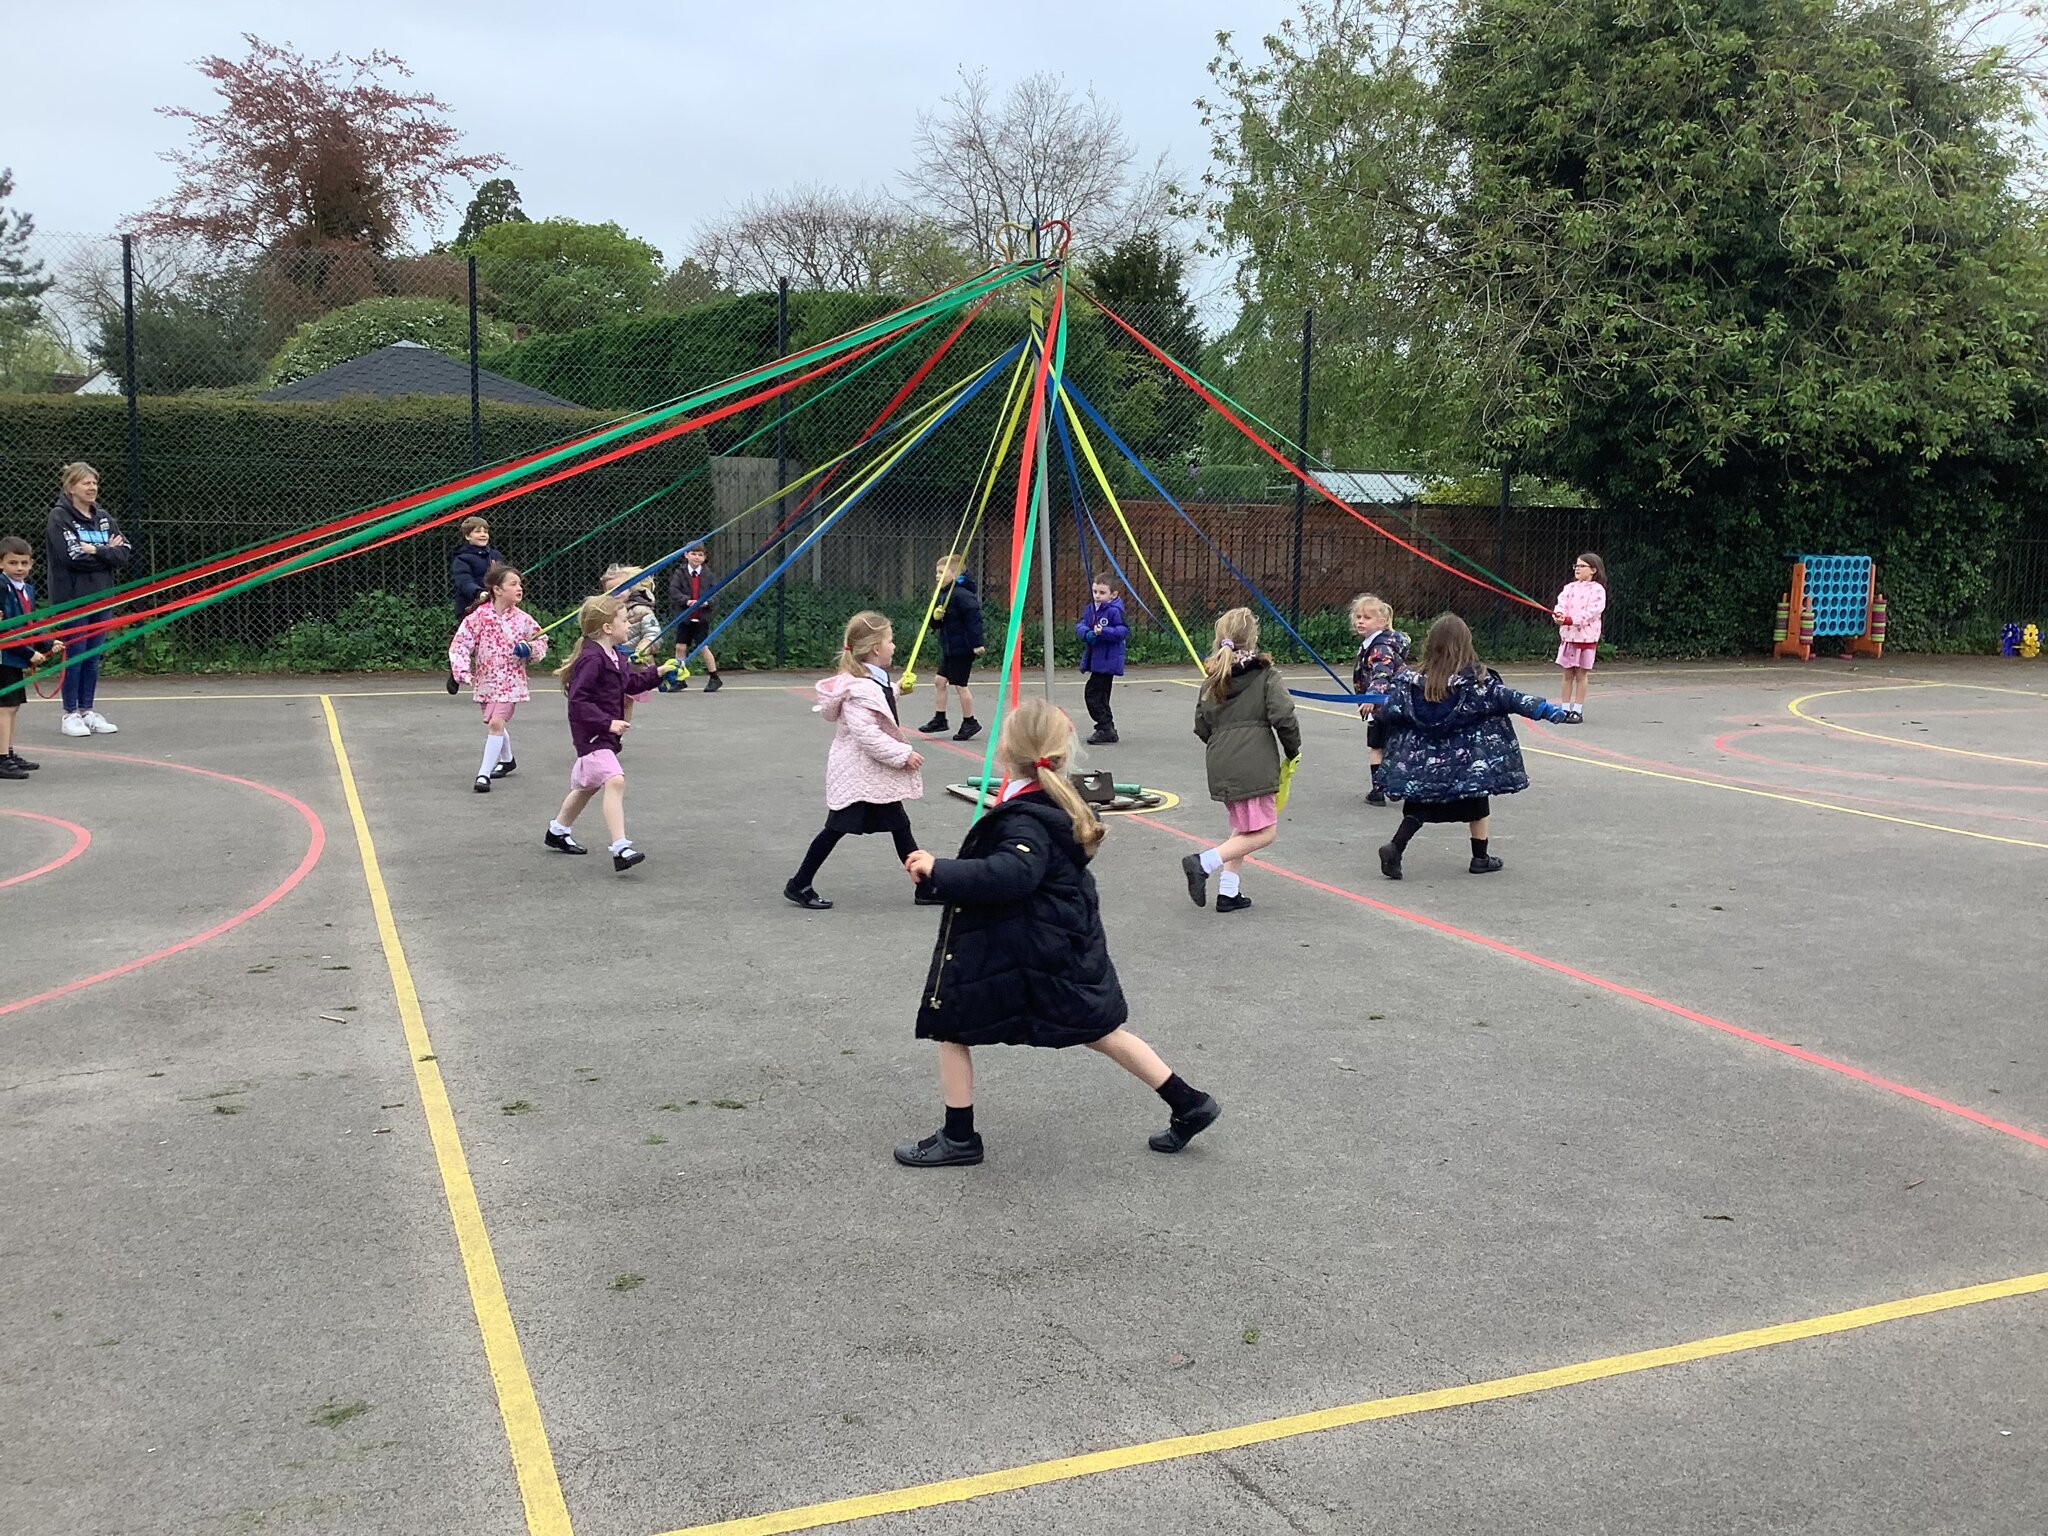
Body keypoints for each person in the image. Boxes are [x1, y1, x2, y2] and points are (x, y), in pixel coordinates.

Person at [895, 696, 1220, 1167]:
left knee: (953, 1024)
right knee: (1100, 1028)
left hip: (1032, 949)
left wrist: (939, 870)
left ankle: (959, 1137)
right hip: (1050, 943)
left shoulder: (1028, 815)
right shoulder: (1051, 800)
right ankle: (1189, 1102)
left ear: (1005, 754)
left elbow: (1012, 874)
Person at [1374, 613, 1577, 879]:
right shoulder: (1478, 684)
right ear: (1465, 644)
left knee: (1418, 809)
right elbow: (1513, 699)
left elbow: (1388, 711)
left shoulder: (1410, 685)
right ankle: (1480, 857)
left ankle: (1396, 847)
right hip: (1467, 766)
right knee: (1477, 805)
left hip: (1423, 768)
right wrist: (1549, 710)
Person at [785, 611, 927, 911]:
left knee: (900, 825)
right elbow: (869, 735)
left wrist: (898, 689)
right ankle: (799, 883)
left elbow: (879, 706)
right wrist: (904, 755)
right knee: (835, 829)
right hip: (858, 773)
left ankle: (924, 886)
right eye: (890, 640)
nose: (894, 646)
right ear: (876, 648)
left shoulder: (871, 680)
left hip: (873, 774)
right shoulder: (857, 689)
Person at [1180, 607, 1300, 915]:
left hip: (1220, 760)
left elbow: (1201, 725)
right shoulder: (1264, 675)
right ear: (1253, 639)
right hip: (1253, 761)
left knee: (1245, 827)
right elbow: (1283, 716)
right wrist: (1292, 749)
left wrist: (1223, 745)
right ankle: (1203, 862)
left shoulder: (1212, 679)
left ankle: (1229, 892)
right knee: (1266, 831)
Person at [546, 594, 662, 872]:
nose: (628, 626)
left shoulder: (614, 656)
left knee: (588, 785)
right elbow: (578, 701)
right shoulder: (592, 659)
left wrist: (660, 672)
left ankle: (558, 830)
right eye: (624, 621)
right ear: (608, 627)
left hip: (602, 734)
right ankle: (621, 847)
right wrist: (606, 723)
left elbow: (631, 682)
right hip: (592, 734)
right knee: (615, 780)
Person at [44, 462, 130, 737]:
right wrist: (106, 555)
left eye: (94, 482)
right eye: (86, 483)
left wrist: (94, 549)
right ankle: (70, 713)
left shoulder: (103, 518)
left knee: (93, 655)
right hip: (73, 597)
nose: (92, 487)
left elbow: (124, 552)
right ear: (71, 488)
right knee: (76, 654)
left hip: (102, 597)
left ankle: (87, 710)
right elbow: (72, 557)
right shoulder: (60, 518)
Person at [447, 563, 547, 793]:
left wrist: (529, 649)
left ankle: (483, 774)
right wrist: (461, 671)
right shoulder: (478, 617)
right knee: (493, 722)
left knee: (496, 723)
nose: (519, 588)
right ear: (497, 590)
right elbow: (461, 644)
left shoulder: (524, 620)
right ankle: (508, 759)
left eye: (520, 584)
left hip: (511, 682)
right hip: (486, 681)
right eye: (513, 584)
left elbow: (541, 641)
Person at [0, 535, 61, 779]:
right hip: (3, 657)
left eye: (24, 563)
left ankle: (8, 752)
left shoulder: (27, 590)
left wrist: (46, 642)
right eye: (13, 563)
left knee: (12, 707)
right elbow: (5, 630)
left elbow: (29, 625)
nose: (19, 568)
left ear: (31, 564)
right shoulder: (1, 587)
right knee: (4, 708)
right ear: (1, 563)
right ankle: (2, 758)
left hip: (14, 657)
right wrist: (29, 653)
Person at [1349, 593, 1411, 806]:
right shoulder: (1372, 644)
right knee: (1388, 745)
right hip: (1390, 703)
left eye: (1367, 618)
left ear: (1382, 622)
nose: (1360, 621)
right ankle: (1388, 786)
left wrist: (1371, 697)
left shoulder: (1380, 647)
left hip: (1385, 703)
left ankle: (1380, 790)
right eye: (1358, 617)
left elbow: (1382, 673)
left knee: (1378, 746)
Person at [916, 554, 984, 742]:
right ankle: (940, 718)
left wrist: (977, 643)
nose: (937, 576)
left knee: (960, 686)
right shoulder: (943, 595)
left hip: (962, 648)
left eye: (941, 572)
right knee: (939, 681)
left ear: (954, 574)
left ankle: (970, 722)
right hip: (949, 647)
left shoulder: (962, 595)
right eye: (936, 572)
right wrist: (936, 618)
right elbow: (936, 624)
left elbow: (974, 620)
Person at [447, 516, 503, 695]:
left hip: (495, 607)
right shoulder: (462, 559)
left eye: (485, 531)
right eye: (478, 531)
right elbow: (463, 581)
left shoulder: (495, 556)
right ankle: (456, 672)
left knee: (492, 643)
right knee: (465, 643)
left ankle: (492, 679)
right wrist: (479, 593)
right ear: (467, 536)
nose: (483, 534)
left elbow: (503, 576)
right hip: (470, 606)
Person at [1551, 552, 1606, 718]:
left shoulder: (1598, 590)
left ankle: (1577, 710)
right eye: (1576, 565)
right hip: (1569, 637)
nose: (1577, 569)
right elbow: (1561, 604)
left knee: (1581, 674)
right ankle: (1565, 708)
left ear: (1593, 570)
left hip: (1586, 638)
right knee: (1567, 674)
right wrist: (1559, 615)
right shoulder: (1569, 588)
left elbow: (1591, 612)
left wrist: (1570, 620)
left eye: (1582, 566)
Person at [1074, 577, 1128, 745]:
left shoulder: (1114, 611)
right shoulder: (1091, 609)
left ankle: (1104, 727)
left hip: (1107, 660)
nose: (1097, 595)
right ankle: (1107, 728)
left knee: (1093, 694)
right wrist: (1087, 633)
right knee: (1100, 695)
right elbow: (1080, 625)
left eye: (1102, 592)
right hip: (1096, 659)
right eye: (1095, 591)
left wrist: (1103, 632)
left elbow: (1122, 631)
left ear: (1113, 594)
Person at [667, 543, 724, 692]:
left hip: (702, 617)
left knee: (702, 647)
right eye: (693, 553)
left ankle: (714, 677)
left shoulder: (708, 574)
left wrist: (707, 601)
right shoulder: (680, 573)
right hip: (685, 616)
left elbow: (715, 591)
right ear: (686, 555)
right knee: (680, 647)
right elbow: (674, 590)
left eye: (700, 555)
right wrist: (686, 600)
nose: (697, 557)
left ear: (705, 557)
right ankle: (680, 678)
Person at [601, 564, 664, 657]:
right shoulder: (604, 612)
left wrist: (642, 651)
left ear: (630, 590)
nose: (616, 594)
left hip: (637, 660)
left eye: (620, 588)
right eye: (611, 590)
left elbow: (653, 634)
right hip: (613, 659)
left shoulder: (641, 609)